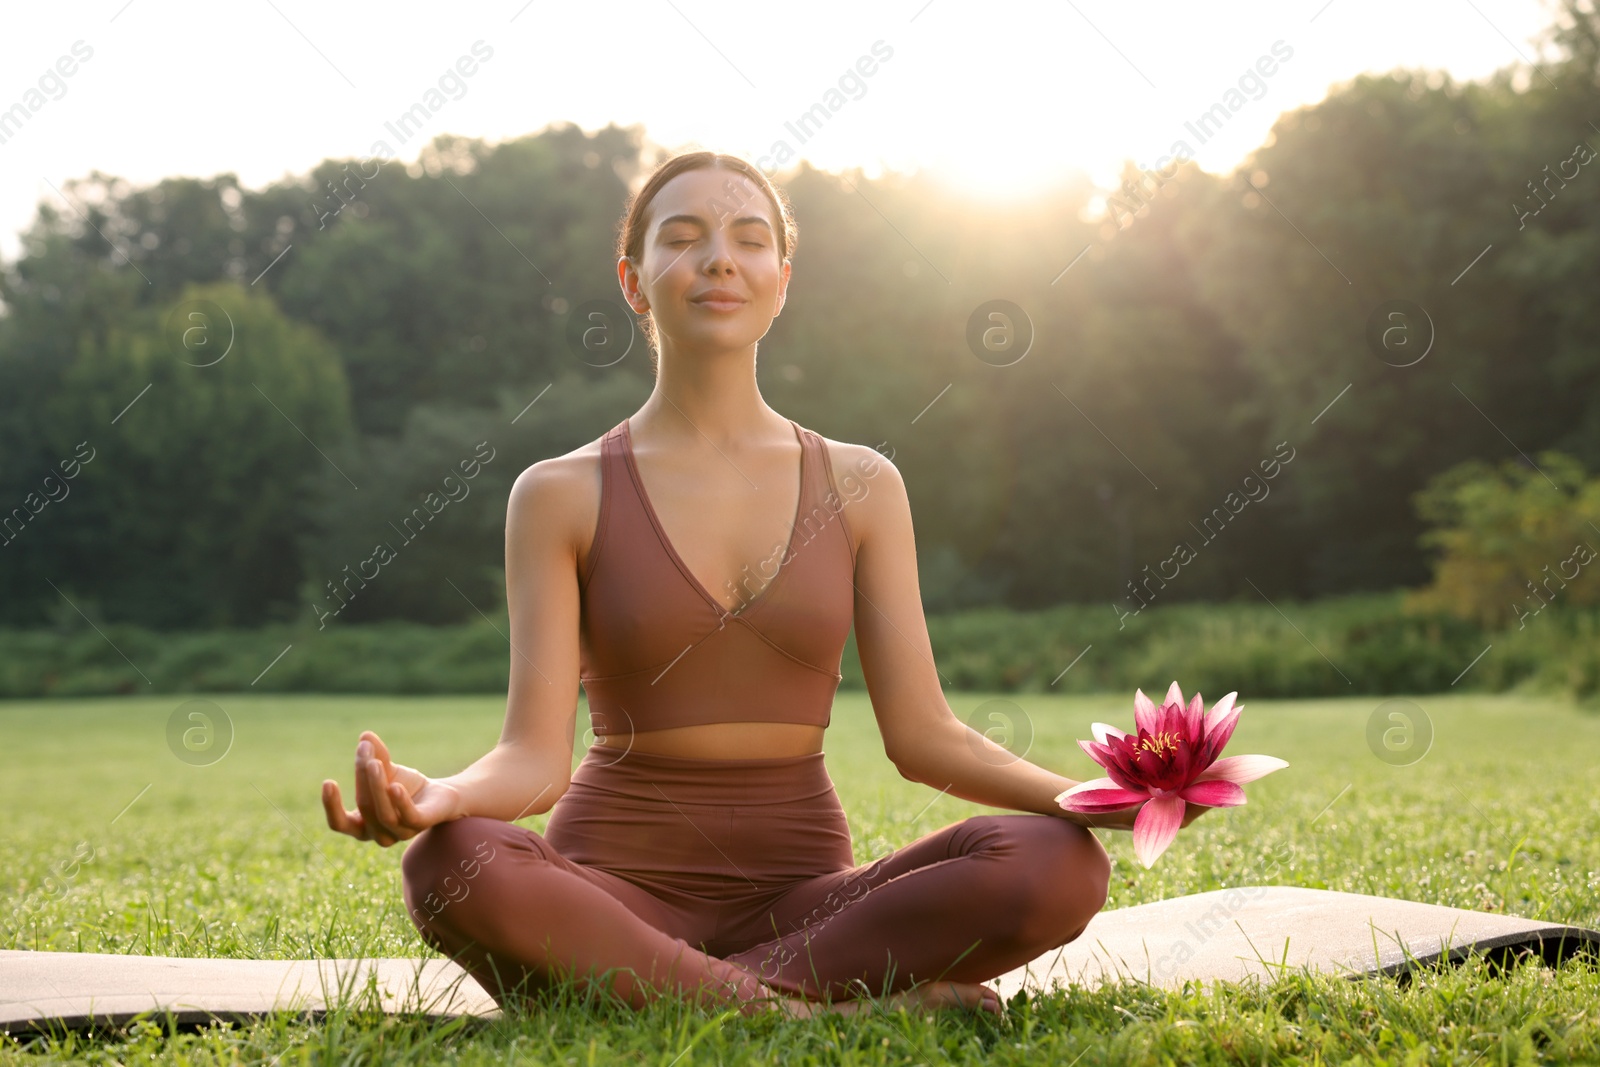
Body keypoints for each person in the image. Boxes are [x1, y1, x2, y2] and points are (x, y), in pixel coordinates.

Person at [321, 150, 1207, 1020]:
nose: (718, 259)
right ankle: (815, 1012)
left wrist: (1099, 800)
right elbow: (534, 760)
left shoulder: (862, 484)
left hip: (812, 910)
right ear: (634, 281)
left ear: (783, 278)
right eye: (684, 236)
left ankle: (668, 991)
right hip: (612, 892)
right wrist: (441, 799)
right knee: (449, 862)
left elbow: (926, 736)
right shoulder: (560, 492)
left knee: (1057, 858)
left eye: (749, 239)